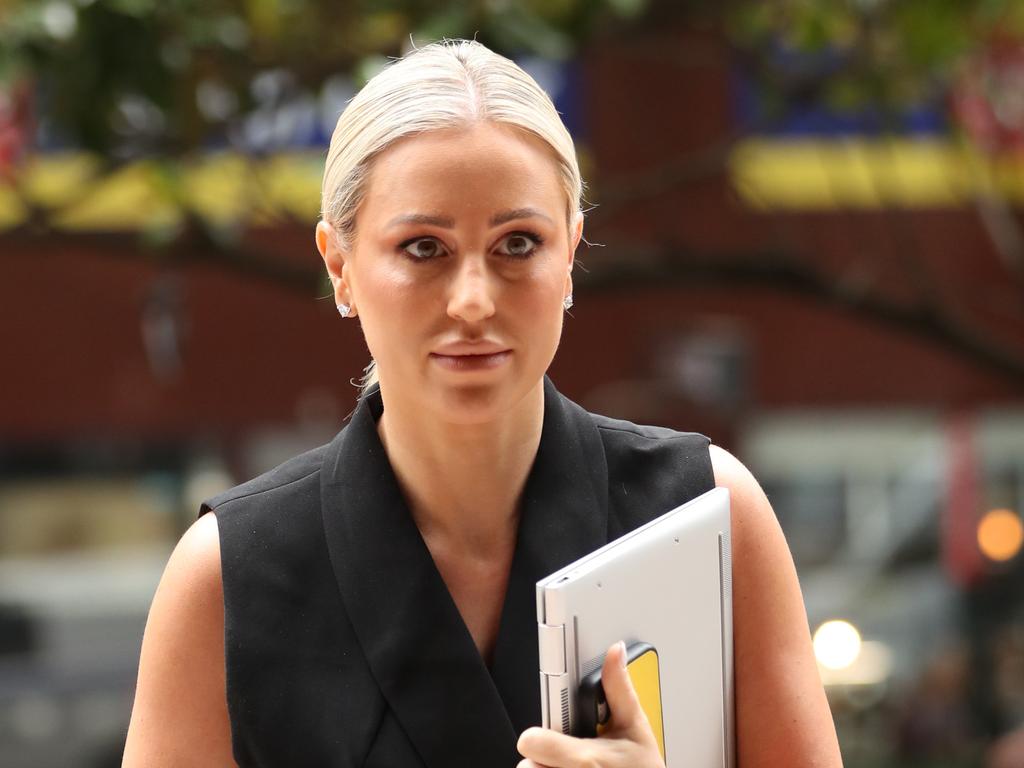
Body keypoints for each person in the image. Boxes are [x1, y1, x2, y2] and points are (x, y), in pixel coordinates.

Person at [122, 39, 843, 768]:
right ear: (339, 267)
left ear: (571, 255)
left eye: (518, 243)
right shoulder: (229, 578)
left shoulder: (706, 516)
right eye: (424, 248)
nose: (472, 301)